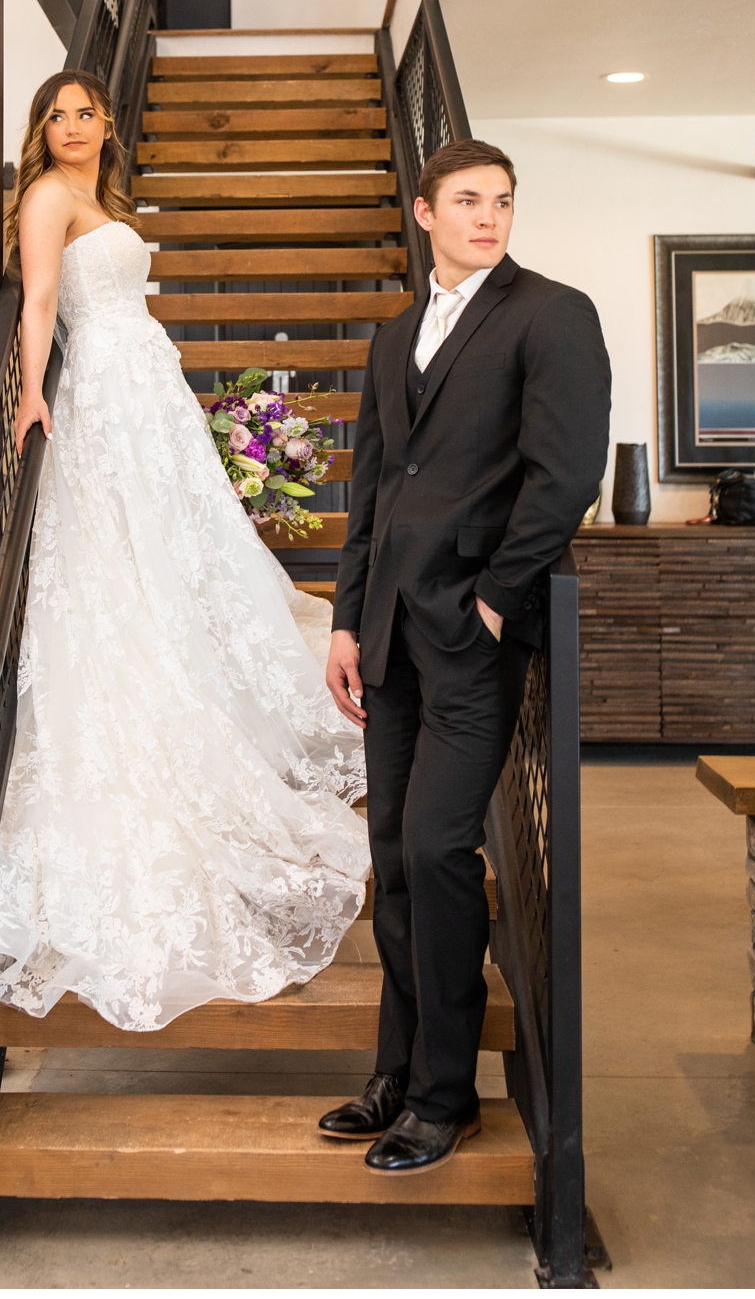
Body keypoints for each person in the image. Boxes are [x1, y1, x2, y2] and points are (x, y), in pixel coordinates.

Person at [0, 71, 370, 1032]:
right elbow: (38, 301)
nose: (71, 126)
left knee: (182, 551)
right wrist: (33, 394)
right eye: (56, 116)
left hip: (147, 382)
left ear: (106, 124)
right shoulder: (46, 197)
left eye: (84, 112)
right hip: (103, 390)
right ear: (44, 132)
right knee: (125, 561)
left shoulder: (107, 198)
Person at [317, 140, 610, 1177]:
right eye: (471, 201)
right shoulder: (394, 336)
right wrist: (346, 620)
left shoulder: (551, 314)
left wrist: (494, 599)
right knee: (392, 857)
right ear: (426, 211)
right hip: (389, 636)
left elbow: (564, 472)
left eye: (504, 202)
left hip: (473, 637)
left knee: (442, 851)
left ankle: (449, 1095)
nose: (490, 217)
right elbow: (374, 492)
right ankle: (396, 1072)